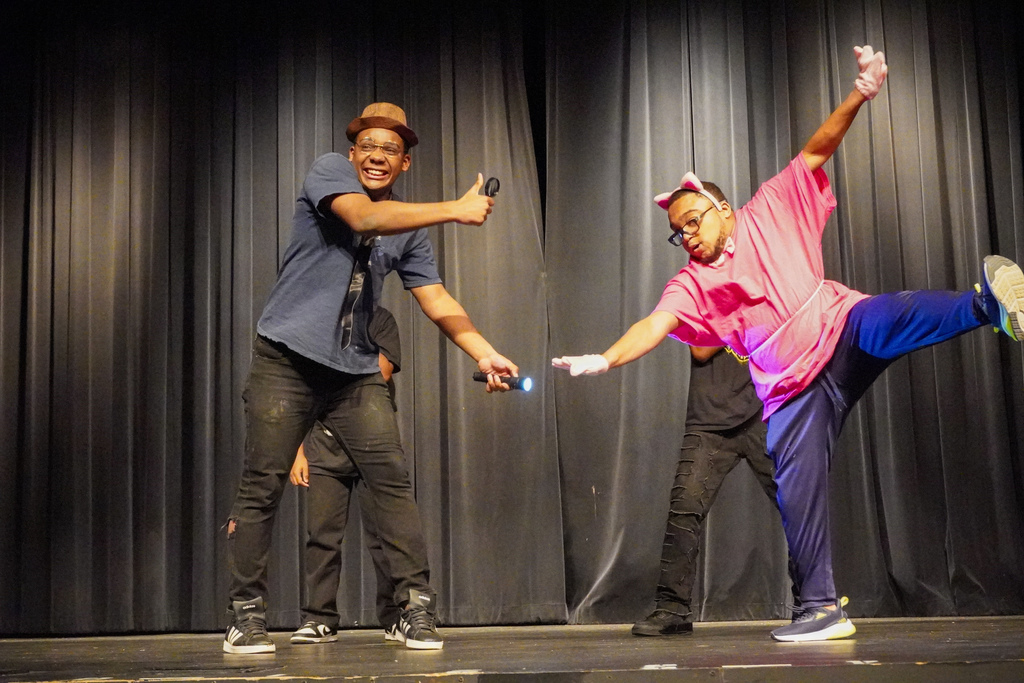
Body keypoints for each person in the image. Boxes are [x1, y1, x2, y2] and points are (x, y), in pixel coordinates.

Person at [553, 46, 1024, 642]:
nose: (687, 237)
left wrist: (860, 92)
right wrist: (606, 357)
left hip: (837, 331)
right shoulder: (691, 282)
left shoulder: (772, 206)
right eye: (678, 234)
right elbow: (657, 323)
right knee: (798, 496)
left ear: (721, 207)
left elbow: (819, 147)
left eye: (693, 221)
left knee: (883, 317)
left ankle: (986, 305)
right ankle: (821, 609)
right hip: (792, 395)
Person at [224, 102, 520, 654]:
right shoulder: (330, 170)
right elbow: (364, 219)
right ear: (355, 152)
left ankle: (414, 608)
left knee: (391, 482)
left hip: (355, 373)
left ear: (404, 163)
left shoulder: (409, 230)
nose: (378, 156)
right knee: (261, 486)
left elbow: (435, 298)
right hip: (286, 358)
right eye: (371, 147)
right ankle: (245, 613)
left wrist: (483, 353)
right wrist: (455, 209)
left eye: (391, 150)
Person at [631, 345, 799, 636]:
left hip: (766, 414)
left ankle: (812, 603)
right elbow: (701, 350)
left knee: (800, 509)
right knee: (684, 508)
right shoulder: (705, 301)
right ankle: (672, 609)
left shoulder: (765, 300)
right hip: (709, 421)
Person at [288, 306, 404, 645]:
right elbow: (300, 391)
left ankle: (396, 617)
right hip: (324, 444)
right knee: (321, 536)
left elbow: (382, 371)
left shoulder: (379, 319)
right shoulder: (316, 321)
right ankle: (320, 618)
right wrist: (296, 451)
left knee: (386, 537)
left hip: (372, 439)